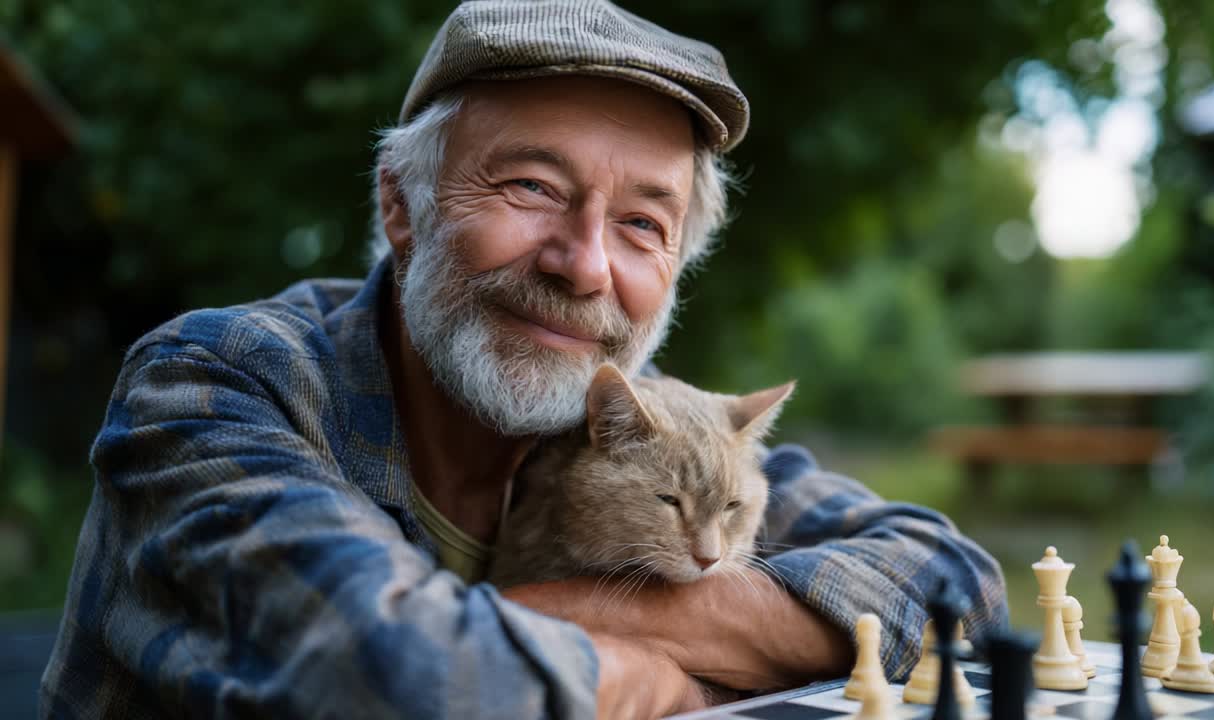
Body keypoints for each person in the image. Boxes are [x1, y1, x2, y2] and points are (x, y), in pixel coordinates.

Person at [40, 1, 1007, 718]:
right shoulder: (214, 381)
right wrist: (670, 680)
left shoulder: (650, 422)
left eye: (641, 223)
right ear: (401, 208)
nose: (584, 264)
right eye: (533, 186)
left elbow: (957, 582)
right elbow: (401, 680)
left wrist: (556, 611)